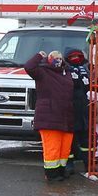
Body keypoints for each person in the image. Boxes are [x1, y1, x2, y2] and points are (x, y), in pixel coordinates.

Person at [24, 50, 74, 181]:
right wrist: (39, 55)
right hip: (49, 117)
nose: (57, 61)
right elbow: (28, 66)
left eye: (59, 58)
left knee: (64, 149)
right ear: (48, 60)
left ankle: (61, 171)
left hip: (66, 117)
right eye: (54, 58)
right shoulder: (42, 72)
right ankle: (52, 175)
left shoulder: (67, 72)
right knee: (53, 148)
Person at [64, 48, 91, 176]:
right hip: (70, 110)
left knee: (86, 142)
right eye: (72, 56)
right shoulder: (65, 71)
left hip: (85, 111)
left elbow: (92, 87)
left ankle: (88, 165)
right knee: (70, 141)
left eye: (77, 56)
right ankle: (69, 166)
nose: (75, 58)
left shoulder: (86, 69)